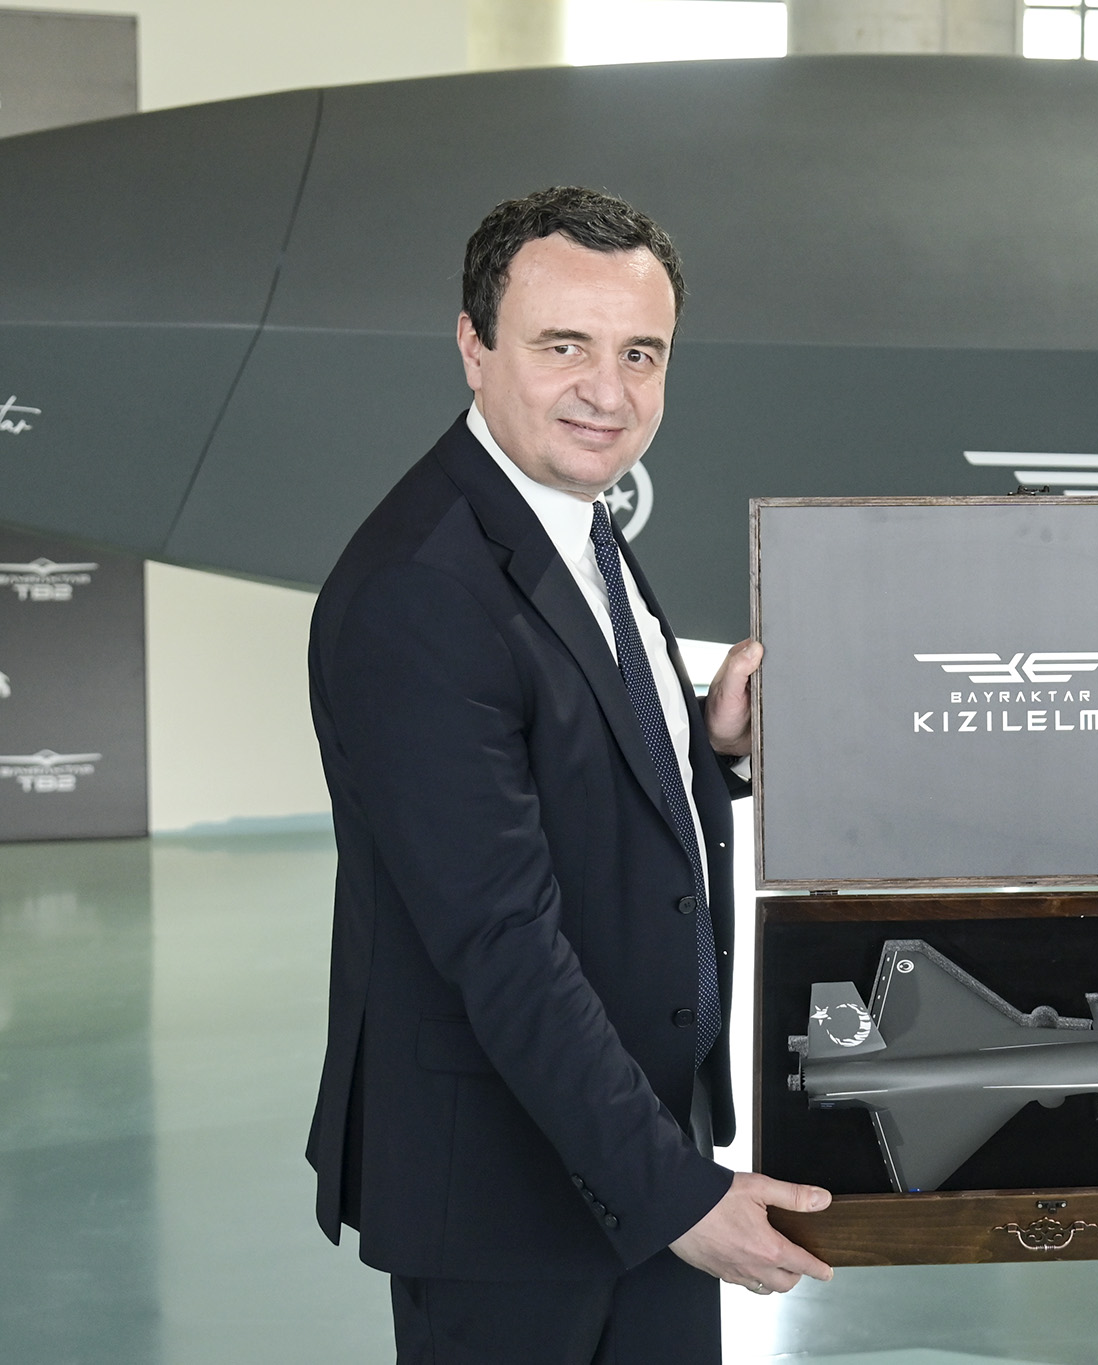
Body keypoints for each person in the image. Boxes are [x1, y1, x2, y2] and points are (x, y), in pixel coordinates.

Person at [305, 186, 832, 1364]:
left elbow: (576, 775)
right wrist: (677, 1194)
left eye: (640, 353)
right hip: (509, 1199)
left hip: (626, 1156)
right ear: (473, 345)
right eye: (563, 347)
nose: (609, 391)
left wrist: (710, 752)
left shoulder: (569, 522)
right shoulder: (422, 588)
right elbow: (497, 937)